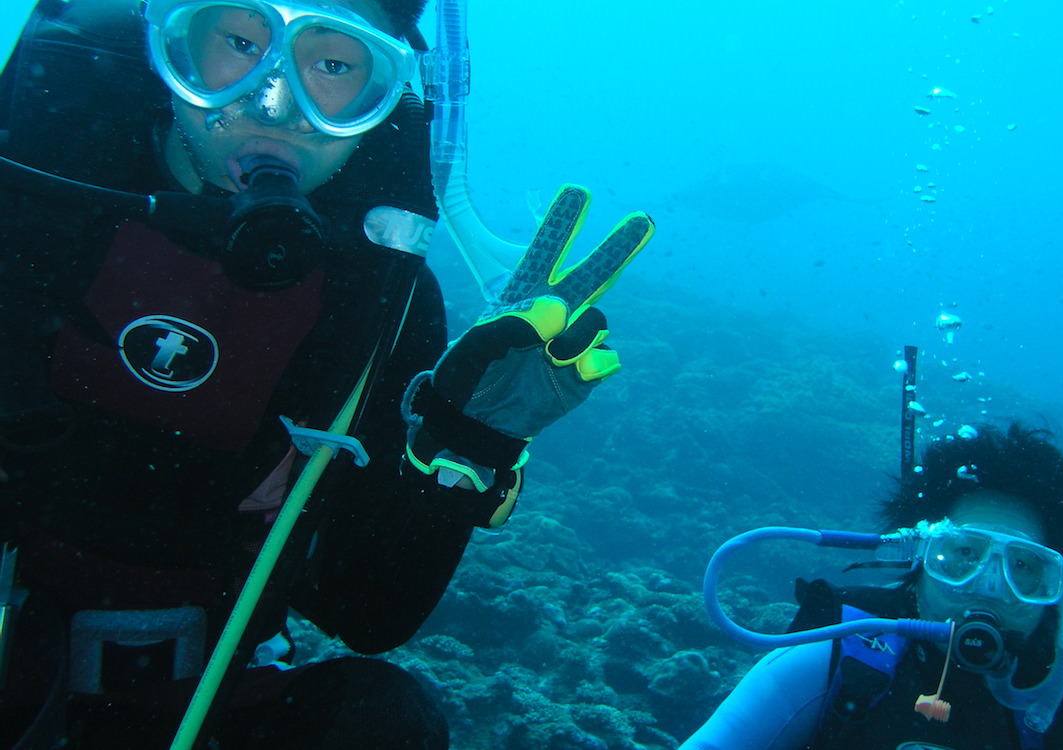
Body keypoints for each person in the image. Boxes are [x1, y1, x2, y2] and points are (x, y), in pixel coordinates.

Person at [0, 0, 652, 746]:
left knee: (382, 723)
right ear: (173, 42)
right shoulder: (24, 200)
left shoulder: (376, 298)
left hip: (203, 696)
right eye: (242, 42)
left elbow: (366, 613)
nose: (274, 103)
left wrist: (467, 441)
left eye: (333, 66)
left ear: (385, 97)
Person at [684, 423, 1063, 750]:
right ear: (917, 555)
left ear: (1057, 585)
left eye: (1023, 566)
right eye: (961, 554)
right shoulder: (835, 658)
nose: (989, 588)